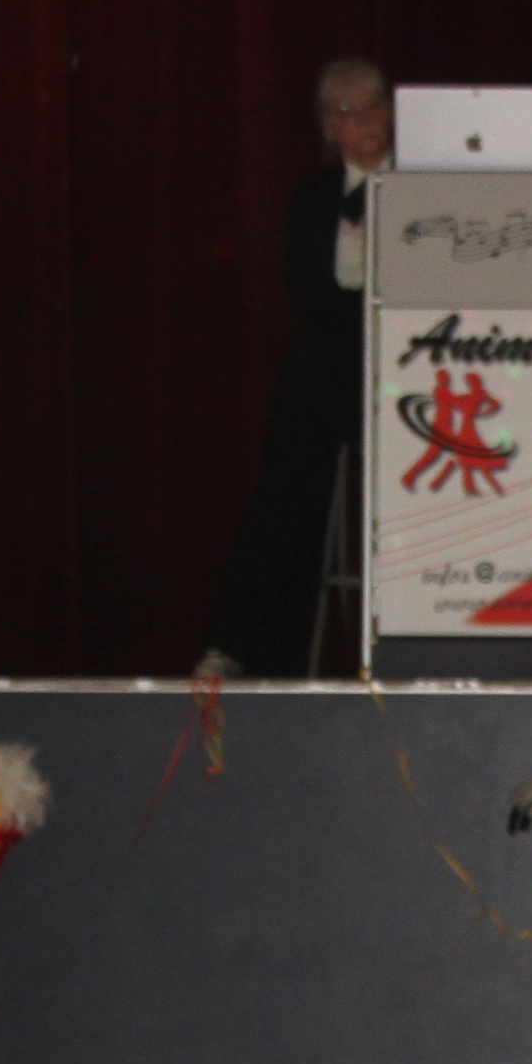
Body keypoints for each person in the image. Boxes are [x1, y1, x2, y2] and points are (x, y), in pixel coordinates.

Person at [195, 60, 393, 678]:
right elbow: (308, 292)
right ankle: (240, 646)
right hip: (332, 354)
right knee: (286, 491)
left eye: (374, 104)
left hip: (404, 361)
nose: (366, 120)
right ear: (329, 128)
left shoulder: (424, 186)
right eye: (348, 111)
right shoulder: (313, 196)